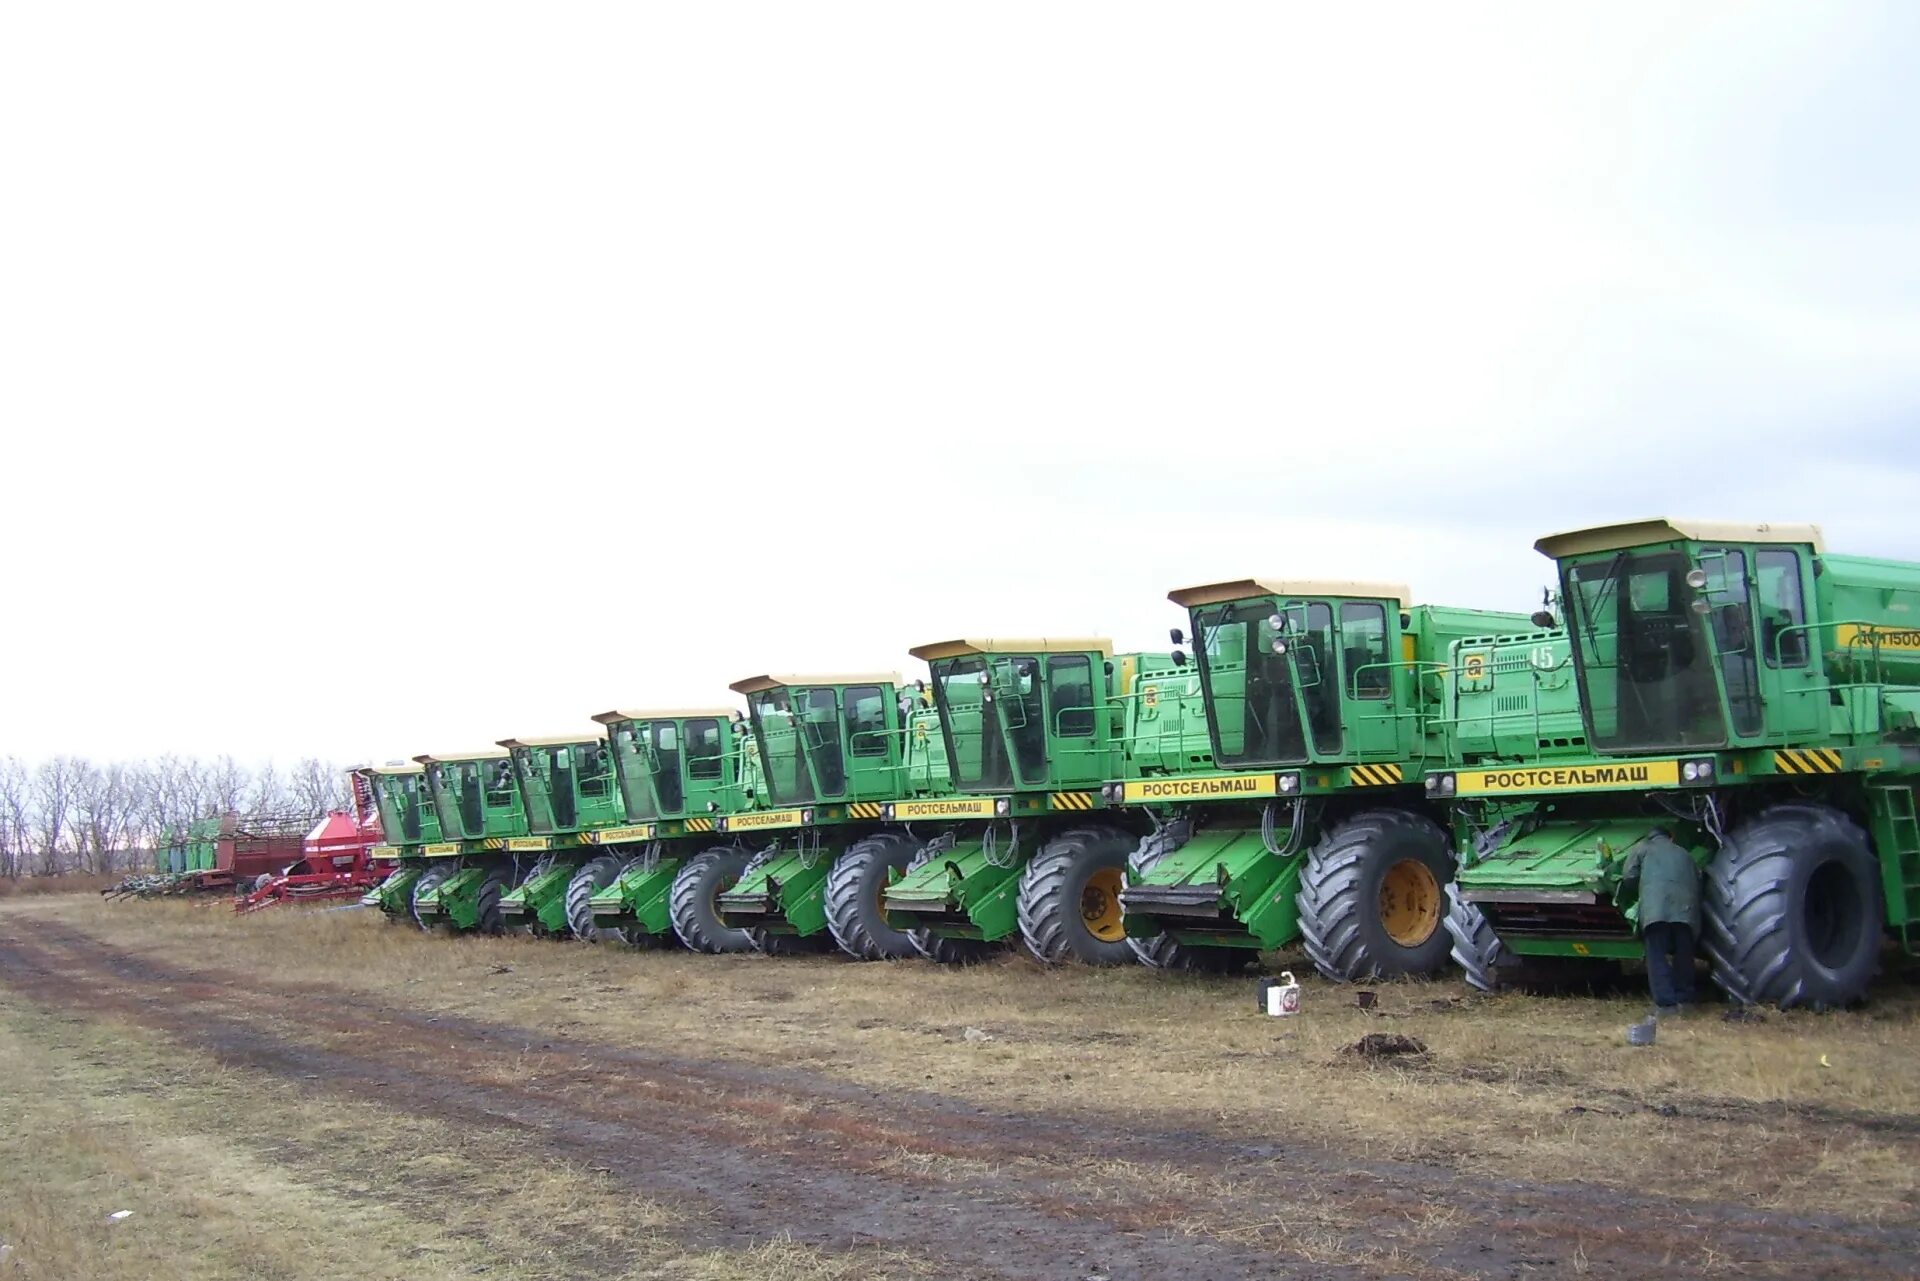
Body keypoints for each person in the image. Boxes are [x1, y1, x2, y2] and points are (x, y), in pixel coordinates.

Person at [1629, 832, 1702, 1011]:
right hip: (1685, 911)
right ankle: (1685, 1000)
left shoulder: (1642, 848)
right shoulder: (1685, 853)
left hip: (1655, 911)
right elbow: (1699, 880)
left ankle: (1666, 1004)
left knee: (1657, 957)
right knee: (1684, 955)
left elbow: (1629, 877)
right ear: (1671, 837)